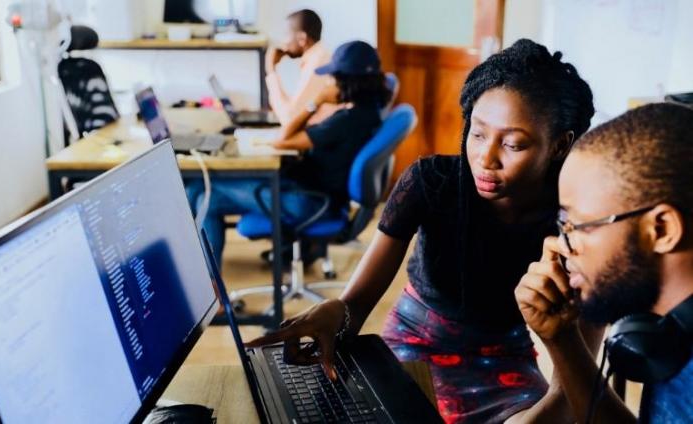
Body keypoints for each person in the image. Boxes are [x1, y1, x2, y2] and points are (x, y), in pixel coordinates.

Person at [246, 39, 596, 423]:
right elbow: (356, 305)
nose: (486, 158)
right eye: (477, 134)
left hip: (504, 360)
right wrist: (337, 313)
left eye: (513, 144)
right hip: (413, 342)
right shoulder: (431, 183)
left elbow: (572, 387)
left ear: (560, 145)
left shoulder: (579, 223)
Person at [514, 103, 693, 423]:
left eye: (577, 226)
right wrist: (562, 338)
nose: (561, 246)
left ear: (662, 229)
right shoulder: (668, 330)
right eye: (561, 224)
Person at [190, 41, 391, 271]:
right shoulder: (368, 111)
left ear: (346, 81)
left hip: (307, 202)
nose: (328, 82)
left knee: (205, 195)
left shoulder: (346, 121)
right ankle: (206, 281)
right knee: (198, 190)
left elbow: (283, 139)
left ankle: (209, 287)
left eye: (332, 77)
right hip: (316, 195)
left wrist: (315, 102)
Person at [265, 9, 336, 126]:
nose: (283, 42)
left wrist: (271, 70)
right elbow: (292, 109)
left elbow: (290, 119)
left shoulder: (317, 64)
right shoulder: (317, 57)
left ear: (302, 39)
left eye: (286, 35)